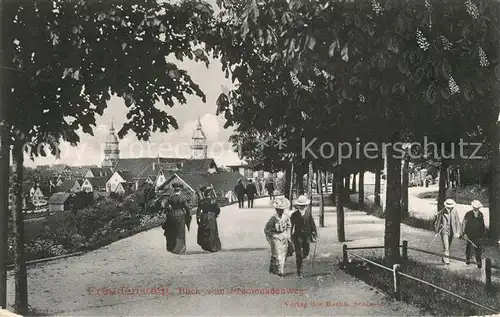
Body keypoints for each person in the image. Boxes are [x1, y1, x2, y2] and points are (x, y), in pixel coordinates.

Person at [290, 195, 317, 278]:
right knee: (298, 254)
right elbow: (290, 226)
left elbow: (312, 224)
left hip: (306, 236)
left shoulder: (308, 214)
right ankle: (299, 271)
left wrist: (314, 233)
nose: (302, 206)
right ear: (298, 205)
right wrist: (290, 236)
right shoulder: (294, 214)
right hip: (297, 236)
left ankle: (302, 256)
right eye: (301, 205)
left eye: (304, 205)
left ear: (306, 205)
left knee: (306, 251)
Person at [264, 197, 292, 277]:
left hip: (283, 236)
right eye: (278, 209)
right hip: (275, 237)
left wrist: (288, 234)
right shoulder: (273, 219)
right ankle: (277, 270)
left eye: (281, 209)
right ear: (276, 210)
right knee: (276, 253)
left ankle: (280, 269)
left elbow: (289, 226)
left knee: (283, 254)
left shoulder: (286, 217)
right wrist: (269, 238)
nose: (280, 211)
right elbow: (267, 229)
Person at [161, 183, 192, 254]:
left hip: (172, 215)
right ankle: (180, 249)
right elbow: (187, 208)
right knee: (180, 232)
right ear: (180, 190)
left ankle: (172, 247)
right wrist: (188, 215)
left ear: (174, 190)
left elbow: (166, 207)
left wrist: (168, 212)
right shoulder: (182, 198)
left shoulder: (170, 198)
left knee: (173, 231)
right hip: (180, 215)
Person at [434, 198, 462, 265]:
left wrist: (458, 232)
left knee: (447, 246)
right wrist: (436, 232)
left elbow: (457, 222)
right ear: (446, 206)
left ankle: (444, 258)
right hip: (444, 231)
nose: (450, 208)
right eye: (448, 207)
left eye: (451, 207)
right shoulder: (441, 212)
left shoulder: (454, 211)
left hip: (452, 231)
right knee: (446, 247)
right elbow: (437, 223)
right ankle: (447, 262)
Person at [196, 186, 222, 252]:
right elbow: (218, 210)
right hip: (211, 216)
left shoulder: (201, 201)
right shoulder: (213, 201)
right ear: (210, 194)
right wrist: (215, 214)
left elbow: (198, 211)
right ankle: (212, 247)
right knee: (212, 231)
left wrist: (198, 219)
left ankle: (205, 246)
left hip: (204, 216)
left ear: (204, 195)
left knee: (204, 231)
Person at [462, 200, 486, 268]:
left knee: (478, 248)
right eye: (475, 207)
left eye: (477, 208)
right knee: (469, 247)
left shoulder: (481, 214)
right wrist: (464, 233)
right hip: (469, 234)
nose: (476, 209)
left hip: (478, 235)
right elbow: (464, 223)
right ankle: (468, 260)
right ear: (473, 207)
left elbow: (482, 225)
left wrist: (482, 234)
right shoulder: (468, 214)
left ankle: (479, 263)